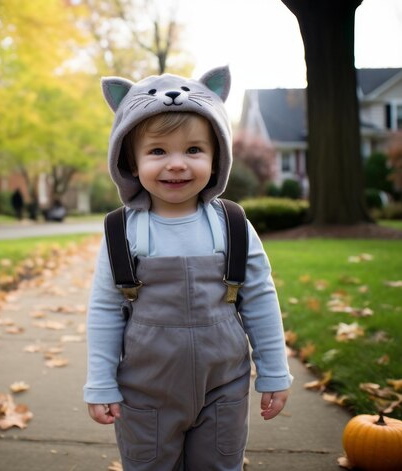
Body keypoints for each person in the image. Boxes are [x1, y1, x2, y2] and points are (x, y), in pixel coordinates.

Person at [84, 66, 292, 471]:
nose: (176, 164)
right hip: (144, 391)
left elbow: (261, 299)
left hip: (224, 387)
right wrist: (100, 381)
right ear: (130, 160)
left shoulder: (231, 225)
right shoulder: (122, 232)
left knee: (219, 464)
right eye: (158, 151)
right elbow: (106, 309)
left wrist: (274, 371)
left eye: (194, 150)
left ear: (217, 158)